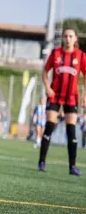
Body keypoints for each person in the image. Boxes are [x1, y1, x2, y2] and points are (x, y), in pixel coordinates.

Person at [37, 27, 86, 176]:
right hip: (55, 95)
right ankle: (42, 162)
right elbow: (45, 72)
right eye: (65, 36)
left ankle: (72, 166)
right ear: (62, 38)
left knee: (71, 131)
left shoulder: (81, 55)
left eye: (71, 36)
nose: (68, 39)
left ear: (76, 39)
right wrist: (47, 87)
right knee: (49, 126)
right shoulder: (56, 53)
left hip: (71, 97)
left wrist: (85, 95)